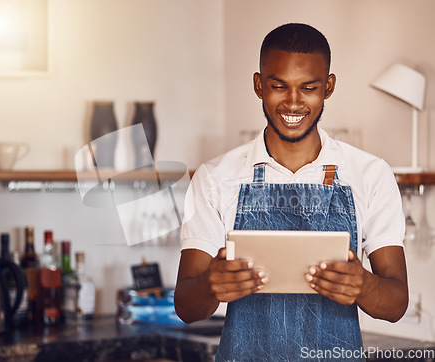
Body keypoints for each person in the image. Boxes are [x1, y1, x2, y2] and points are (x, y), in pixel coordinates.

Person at [174, 23, 408, 361]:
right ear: (258, 85)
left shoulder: (370, 174)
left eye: (309, 87)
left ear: (328, 87)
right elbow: (186, 305)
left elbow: (396, 303)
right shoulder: (215, 177)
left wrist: (364, 286)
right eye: (278, 86)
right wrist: (210, 286)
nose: (293, 103)